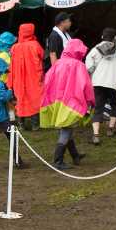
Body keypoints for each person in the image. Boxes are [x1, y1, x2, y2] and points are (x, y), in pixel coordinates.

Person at [40, 38, 95, 170]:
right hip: (71, 102)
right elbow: (86, 85)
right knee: (66, 129)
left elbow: (47, 81)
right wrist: (91, 100)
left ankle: (75, 156)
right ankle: (58, 160)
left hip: (55, 101)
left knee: (66, 127)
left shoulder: (57, 64)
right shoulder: (79, 66)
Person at [85, 28, 116, 144]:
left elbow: (89, 66)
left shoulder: (95, 50)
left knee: (98, 108)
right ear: (115, 38)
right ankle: (110, 129)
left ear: (102, 37)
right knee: (114, 105)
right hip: (113, 82)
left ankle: (96, 135)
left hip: (98, 82)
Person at [8, 23, 45, 130]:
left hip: (18, 79)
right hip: (33, 78)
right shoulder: (35, 44)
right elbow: (42, 55)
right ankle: (35, 125)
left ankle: (21, 124)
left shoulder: (14, 47)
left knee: (20, 99)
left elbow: (11, 65)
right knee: (34, 99)